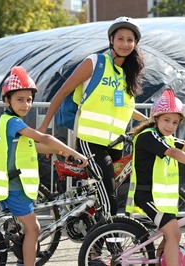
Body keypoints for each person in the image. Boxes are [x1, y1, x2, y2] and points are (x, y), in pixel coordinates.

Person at [38, 16, 147, 217]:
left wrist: (150, 121)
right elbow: (61, 92)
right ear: (111, 40)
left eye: (130, 40)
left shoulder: (127, 74)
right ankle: (113, 245)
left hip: (116, 144)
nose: (125, 44)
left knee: (101, 196)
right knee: (110, 199)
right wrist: (43, 128)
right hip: (91, 142)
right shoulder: (95, 62)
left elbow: (124, 107)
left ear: (136, 43)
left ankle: (94, 246)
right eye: (120, 38)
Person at [0, 66, 89, 266]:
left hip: (15, 184)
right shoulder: (13, 122)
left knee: (27, 228)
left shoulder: (10, 121)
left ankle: (22, 260)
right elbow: (43, 137)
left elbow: (32, 145)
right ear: (7, 100)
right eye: (19, 99)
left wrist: (59, 152)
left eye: (29, 100)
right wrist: (73, 152)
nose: (26, 104)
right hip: (14, 187)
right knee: (34, 229)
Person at [125, 88, 185, 266]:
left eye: (175, 122)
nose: (170, 126)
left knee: (168, 236)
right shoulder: (148, 136)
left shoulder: (166, 137)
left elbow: (184, 145)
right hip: (147, 195)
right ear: (155, 118)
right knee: (174, 234)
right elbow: (172, 152)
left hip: (162, 198)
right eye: (166, 120)